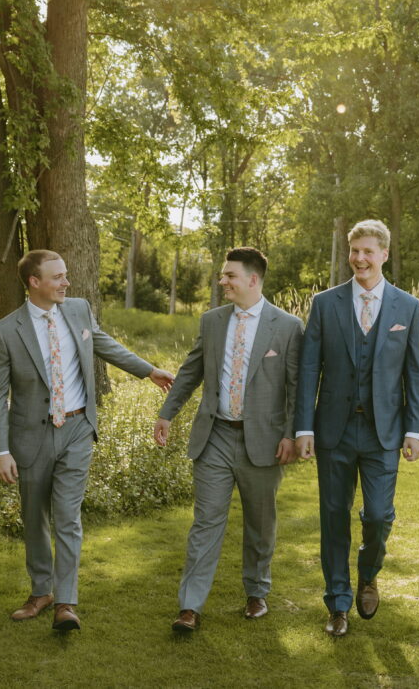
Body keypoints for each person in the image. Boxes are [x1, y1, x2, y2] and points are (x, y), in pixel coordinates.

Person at [0, 249, 173, 631]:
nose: (66, 282)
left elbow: (103, 343)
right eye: (57, 277)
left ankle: (66, 602)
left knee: (67, 516)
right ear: (34, 282)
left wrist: (148, 370)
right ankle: (41, 592)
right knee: (34, 516)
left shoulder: (78, 309)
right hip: (29, 436)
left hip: (77, 429)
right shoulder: (6, 331)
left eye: (65, 275)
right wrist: (0, 450)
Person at [154, 247, 302, 632]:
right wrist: (167, 413)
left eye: (229, 276)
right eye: (223, 275)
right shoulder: (212, 321)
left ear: (253, 280)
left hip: (265, 442)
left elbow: (296, 388)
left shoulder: (286, 327)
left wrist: (290, 435)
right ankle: (190, 606)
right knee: (206, 522)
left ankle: (256, 592)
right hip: (215, 436)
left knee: (261, 522)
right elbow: (190, 372)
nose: (223, 282)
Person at [294, 219, 419, 637]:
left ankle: (369, 574)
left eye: (369, 252)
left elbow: (415, 373)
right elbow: (309, 369)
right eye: (355, 251)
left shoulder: (407, 306)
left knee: (379, 515)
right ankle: (338, 603)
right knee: (333, 517)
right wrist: (303, 429)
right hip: (332, 430)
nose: (360, 259)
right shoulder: (324, 303)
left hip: (384, 432)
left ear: (385, 254)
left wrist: (414, 429)